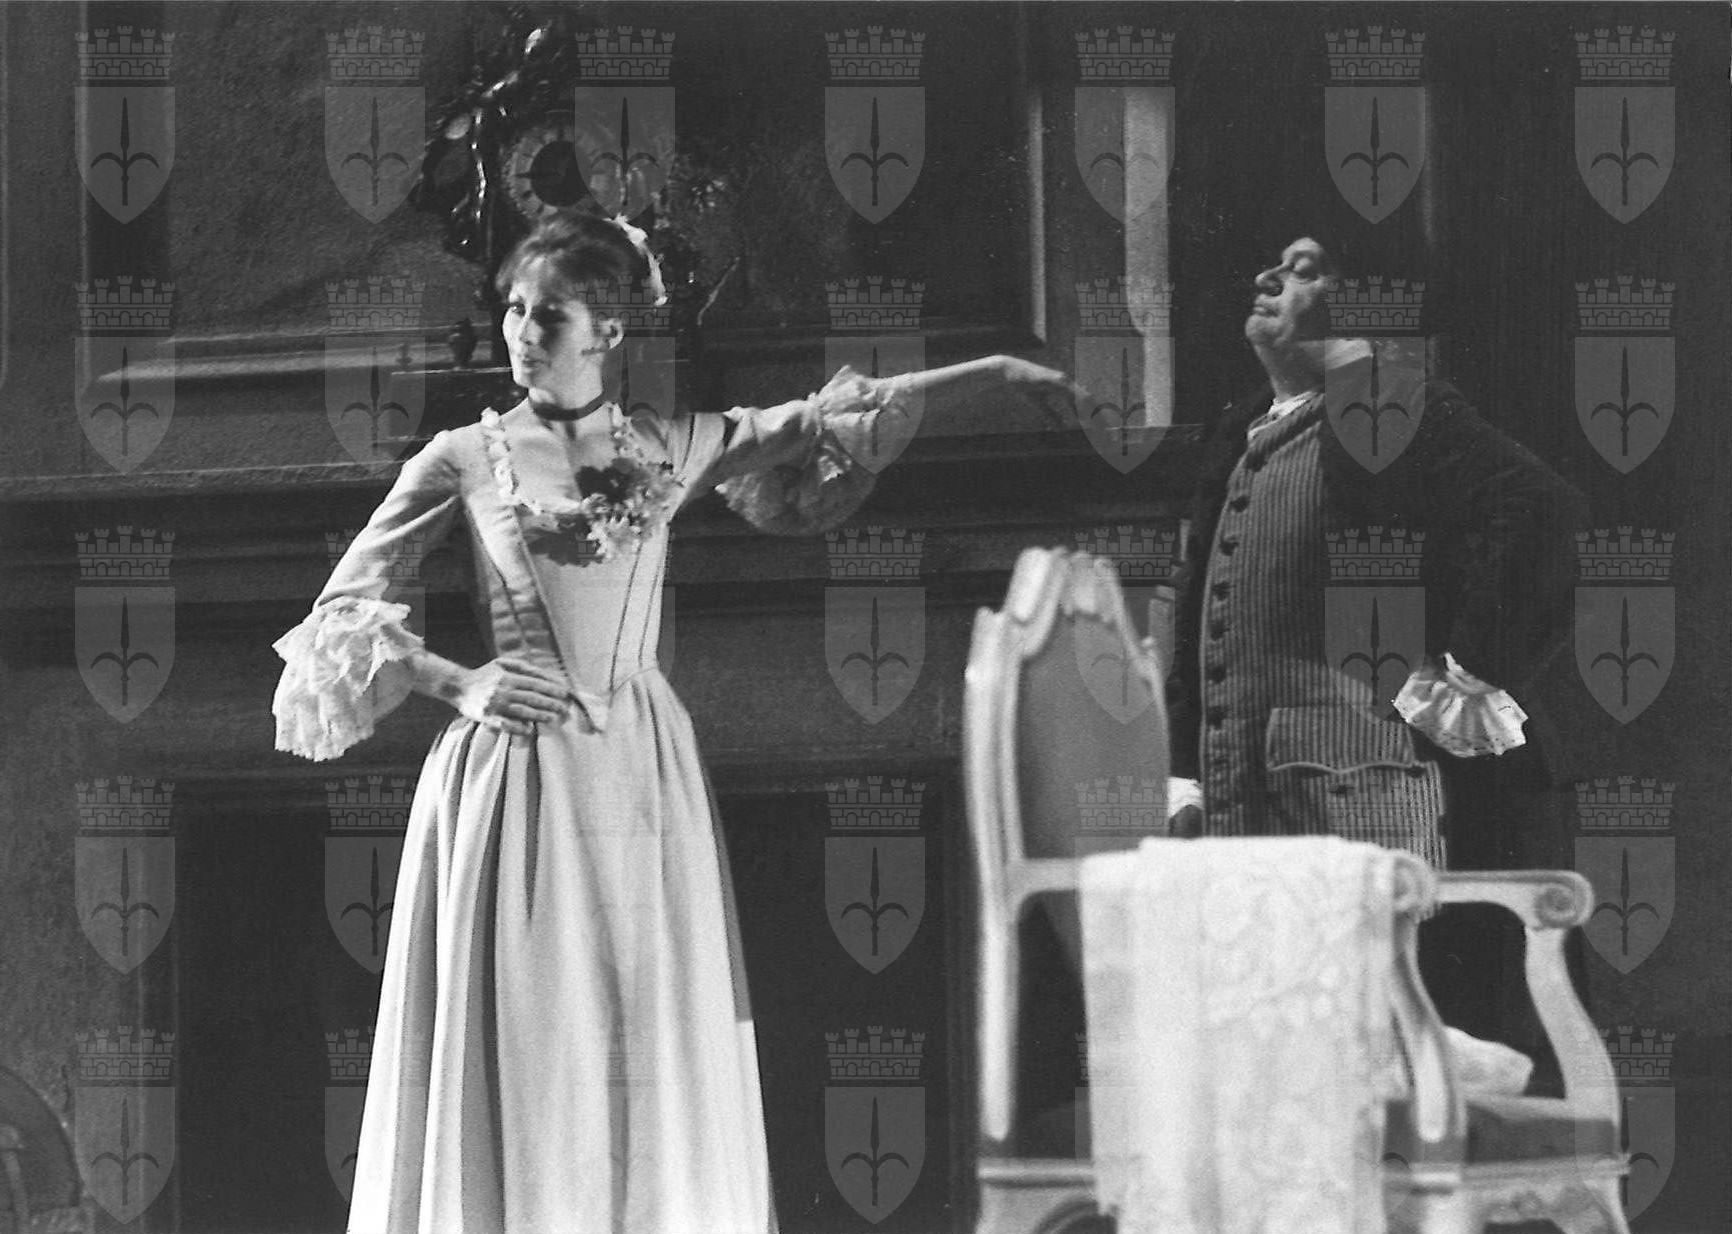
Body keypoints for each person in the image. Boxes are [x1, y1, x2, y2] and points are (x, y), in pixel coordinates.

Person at [270, 211, 1076, 1234]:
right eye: (514, 310)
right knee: (539, 1023)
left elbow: (832, 415)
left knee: (646, 1024)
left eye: (548, 314)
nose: (521, 331)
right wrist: (457, 683)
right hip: (520, 771)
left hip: (644, 766)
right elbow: (340, 606)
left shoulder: (666, 447)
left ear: (607, 329)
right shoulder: (463, 456)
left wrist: (996, 369)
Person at [1163, 236, 1587, 1050]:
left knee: (1392, 1054)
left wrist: (1462, 673)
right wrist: (1186, 768)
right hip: (1249, 811)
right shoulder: (1241, 432)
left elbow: (1544, 512)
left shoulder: (1390, 408)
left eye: (1305, 270)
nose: (1268, 276)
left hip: (1366, 808)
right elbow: (1198, 619)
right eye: (1277, 264)